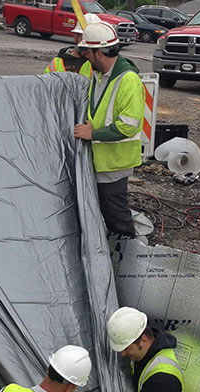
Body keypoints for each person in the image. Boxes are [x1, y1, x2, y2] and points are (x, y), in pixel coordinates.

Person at [73, 22, 145, 238]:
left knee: (117, 218)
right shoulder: (99, 75)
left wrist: (92, 134)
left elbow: (128, 126)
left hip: (114, 165)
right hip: (100, 162)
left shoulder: (128, 81)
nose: (85, 56)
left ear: (99, 53)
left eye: (87, 52)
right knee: (106, 213)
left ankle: (127, 260)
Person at [107, 306, 184, 392]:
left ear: (143, 340)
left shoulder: (163, 379)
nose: (123, 354)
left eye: (126, 348)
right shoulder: (147, 349)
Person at [43, 13, 100, 78]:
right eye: (85, 37)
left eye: (93, 38)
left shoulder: (99, 65)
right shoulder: (57, 62)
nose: (89, 42)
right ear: (76, 36)